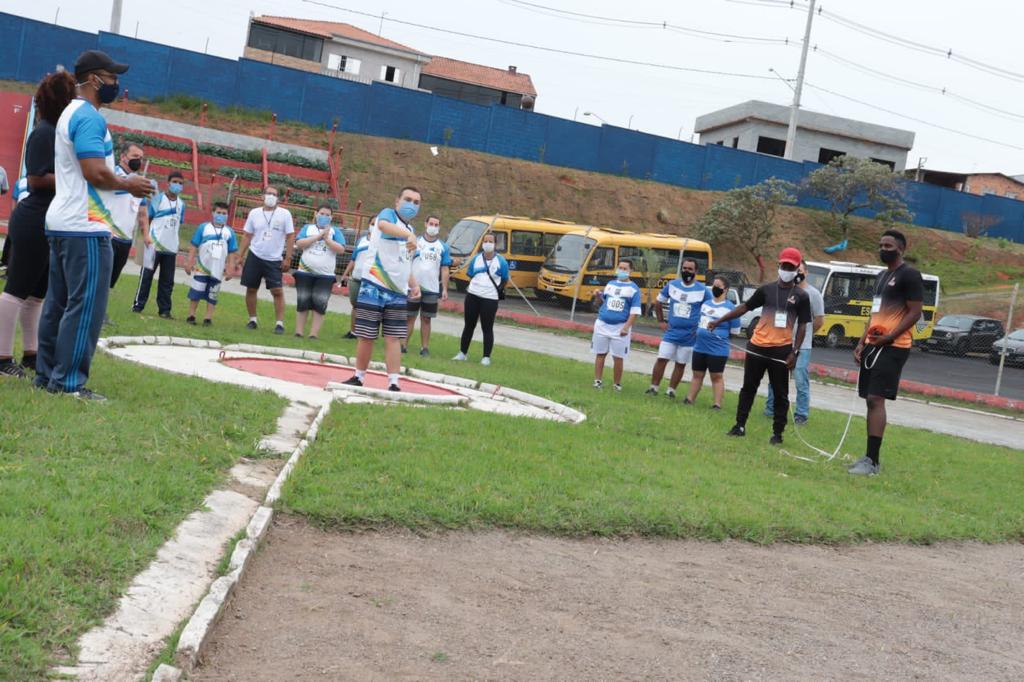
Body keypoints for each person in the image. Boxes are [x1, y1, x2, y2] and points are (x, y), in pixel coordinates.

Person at [36, 50, 153, 400]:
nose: (117, 84)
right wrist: (129, 183)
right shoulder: (88, 117)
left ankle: (47, 376)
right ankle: (69, 383)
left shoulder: (69, 113)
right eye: (113, 78)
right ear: (95, 80)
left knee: (58, 303)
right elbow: (94, 172)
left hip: (62, 221)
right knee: (85, 305)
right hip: (84, 226)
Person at [0, 71, 76, 378]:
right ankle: (2, 357)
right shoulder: (44, 132)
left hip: (49, 220)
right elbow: (36, 178)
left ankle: (32, 354)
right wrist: (73, 180)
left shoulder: (57, 132)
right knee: (16, 290)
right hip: (33, 218)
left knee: (36, 295)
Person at [708, 247, 811, 445]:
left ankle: (777, 434)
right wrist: (719, 321)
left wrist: (794, 353)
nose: (786, 269)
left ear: (797, 268)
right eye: (784, 265)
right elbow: (744, 308)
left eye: (791, 266)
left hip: (781, 351)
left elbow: (803, 326)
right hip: (757, 347)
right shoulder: (766, 290)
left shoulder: (801, 296)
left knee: (781, 394)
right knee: (748, 388)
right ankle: (739, 426)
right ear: (778, 265)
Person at [848, 230, 924, 476]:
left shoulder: (909, 275)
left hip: (894, 347)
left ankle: (872, 461)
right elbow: (874, 314)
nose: (883, 248)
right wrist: (862, 342)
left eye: (888, 245)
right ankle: (869, 458)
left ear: (900, 248)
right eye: (880, 244)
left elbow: (915, 312)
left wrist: (890, 337)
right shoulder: (881, 276)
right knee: (869, 399)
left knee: (876, 399)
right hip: (874, 344)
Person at [343, 187, 421, 390]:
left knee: (394, 337)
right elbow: (385, 226)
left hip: (397, 292)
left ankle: (394, 382)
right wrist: (408, 236)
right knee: (367, 335)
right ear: (397, 201)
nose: (411, 205)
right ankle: (358, 376)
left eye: (416, 202)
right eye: (408, 199)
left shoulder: (411, 232)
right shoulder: (388, 214)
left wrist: (413, 284)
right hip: (374, 285)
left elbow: (405, 261)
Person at [765, 260, 825, 424]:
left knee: (800, 380)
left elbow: (819, 320)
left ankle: (801, 414)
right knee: (775, 378)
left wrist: (807, 335)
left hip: (802, 345)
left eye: (800, 270)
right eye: (794, 270)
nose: (797, 273)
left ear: (806, 273)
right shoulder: (784, 291)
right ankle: (771, 408)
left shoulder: (813, 294)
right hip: (781, 341)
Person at [645, 258, 710, 397]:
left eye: (690, 269)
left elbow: (710, 309)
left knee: (680, 364)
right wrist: (661, 321)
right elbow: (658, 302)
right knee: (662, 358)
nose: (686, 271)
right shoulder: (672, 285)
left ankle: (671, 391)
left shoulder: (703, 290)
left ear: (696, 272)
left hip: (690, 336)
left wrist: (701, 328)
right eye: (684, 268)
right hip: (671, 333)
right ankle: (653, 387)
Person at [238, 186, 294, 334]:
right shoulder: (254, 213)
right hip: (255, 255)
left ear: (278, 198)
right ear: (262, 196)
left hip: (274, 258)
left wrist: (288, 258)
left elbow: (290, 236)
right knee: (251, 288)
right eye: (268, 193)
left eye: (274, 194)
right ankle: (252, 320)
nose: (271, 196)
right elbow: (247, 235)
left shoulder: (285, 214)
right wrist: (240, 255)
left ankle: (279, 323)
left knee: (277, 291)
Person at [133, 171, 185, 318]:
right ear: (168, 183)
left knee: (167, 282)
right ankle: (138, 305)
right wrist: (146, 236)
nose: (178, 185)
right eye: (175, 182)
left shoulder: (182, 204)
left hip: (171, 248)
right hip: (153, 245)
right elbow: (148, 218)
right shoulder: (158, 199)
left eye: (180, 183)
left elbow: (177, 224)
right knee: (146, 277)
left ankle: (164, 310)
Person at [452, 232, 509, 365]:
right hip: (473, 295)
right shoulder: (476, 259)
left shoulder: (501, 261)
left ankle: (486, 357)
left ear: (495, 244)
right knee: (469, 325)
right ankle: (462, 353)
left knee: (487, 327)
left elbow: (505, 279)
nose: (487, 244)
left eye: (490, 241)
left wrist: (493, 289)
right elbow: (471, 274)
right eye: (485, 241)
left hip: (490, 298)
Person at [685, 274, 740, 409]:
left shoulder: (730, 308)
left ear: (725, 289)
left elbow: (735, 331)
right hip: (700, 347)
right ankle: (689, 399)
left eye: (718, 286)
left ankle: (717, 404)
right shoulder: (706, 304)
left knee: (716, 376)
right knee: (697, 374)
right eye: (713, 286)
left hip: (717, 349)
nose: (714, 288)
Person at [293, 204, 346, 339]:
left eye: (328, 215)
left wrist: (327, 240)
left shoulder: (335, 232)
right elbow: (299, 243)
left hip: (325, 275)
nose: (324, 216)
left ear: (331, 217)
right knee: (303, 301)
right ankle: (299, 331)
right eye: (322, 213)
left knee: (319, 303)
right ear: (316, 214)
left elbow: (341, 249)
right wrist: (317, 237)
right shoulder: (307, 228)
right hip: (305, 271)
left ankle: (313, 334)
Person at [184, 201, 239, 326]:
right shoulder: (203, 227)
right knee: (196, 292)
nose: (221, 215)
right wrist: (189, 261)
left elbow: (232, 252)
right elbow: (194, 245)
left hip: (218, 270)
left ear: (228, 215)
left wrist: (231, 267)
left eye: (224, 213)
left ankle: (208, 318)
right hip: (202, 267)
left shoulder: (230, 232)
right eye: (218, 212)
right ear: (213, 213)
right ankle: (191, 315)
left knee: (213, 294)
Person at [591, 258, 642, 391]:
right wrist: (597, 296)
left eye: (625, 269)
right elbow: (603, 302)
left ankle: (617, 384)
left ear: (631, 271)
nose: (622, 270)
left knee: (618, 357)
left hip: (620, 327)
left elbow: (635, 311)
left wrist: (626, 327)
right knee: (600, 353)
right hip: (602, 324)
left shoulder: (634, 289)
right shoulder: (610, 284)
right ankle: (597, 381)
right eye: (620, 268)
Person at [406, 214, 451, 356]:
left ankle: (424, 348)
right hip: (414, 287)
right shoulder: (416, 241)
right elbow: (406, 262)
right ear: (425, 224)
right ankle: (403, 345)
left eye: (436, 225)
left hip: (431, 289)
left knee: (426, 319)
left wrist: (444, 289)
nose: (433, 227)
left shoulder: (443, 247)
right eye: (431, 224)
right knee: (410, 317)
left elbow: (445, 269)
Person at [108, 141, 150, 296]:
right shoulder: (111, 175)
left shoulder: (140, 183)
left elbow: (142, 213)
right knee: (100, 276)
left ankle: (102, 311)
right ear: (123, 156)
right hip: (108, 235)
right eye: (135, 156)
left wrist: (146, 235)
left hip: (126, 240)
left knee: (111, 280)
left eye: (141, 157)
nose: (138, 160)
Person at [341, 225, 371, 339]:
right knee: (355, 305)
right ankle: (353, 332)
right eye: (372, 224)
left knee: (367, 308)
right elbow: (353, 259)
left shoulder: (381, 242)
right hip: (356, 278)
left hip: (370, 280)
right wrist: (345, 274)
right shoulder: (361, 240)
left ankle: (365, 333)